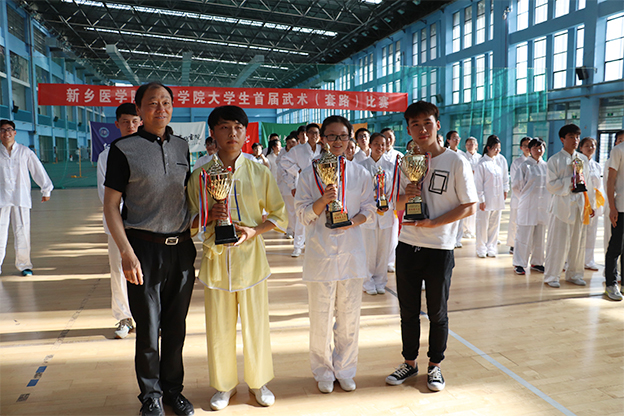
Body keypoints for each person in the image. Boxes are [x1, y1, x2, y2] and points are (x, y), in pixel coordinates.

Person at [103, 82, 196, 416]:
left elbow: (187, 197)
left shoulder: (182, 147)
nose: (161, 109)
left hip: (181, 249)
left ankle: (173, 391)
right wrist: (126, 252)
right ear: (140, 109)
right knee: (148, 327)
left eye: (166, 102)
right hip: (143, 249)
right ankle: (150, 395)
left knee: (175, 326)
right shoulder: (123, 148)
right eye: (153, 103)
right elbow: (110, 205)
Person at [187, 105, 287, 410]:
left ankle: (259, 382)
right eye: (224, 127)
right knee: (219, 327)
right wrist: (208, 215)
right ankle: (224, 385)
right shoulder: (200, 175)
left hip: (251, 261)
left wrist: (255, 231)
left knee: (256, 324)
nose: (232, 134)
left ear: (246, 133)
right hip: (216, 261)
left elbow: (279, 214)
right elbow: (188, 221)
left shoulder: (259, 171)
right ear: (213, 133)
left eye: (238, 128)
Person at [385, 101, 477, 392]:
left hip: (439, 247)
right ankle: (409, 362)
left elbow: (469, 205)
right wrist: (407, 194)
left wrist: (434, 223)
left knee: (437, 312)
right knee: (408, 311)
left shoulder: (456, 161)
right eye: (415, 124)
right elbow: (393, 203)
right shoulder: (405, 162)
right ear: (408, 129)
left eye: (427, 123)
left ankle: (435, 365)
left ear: (438, 125)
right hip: (407, 244)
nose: (422, 129)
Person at [294, 115, 375, 394]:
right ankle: (323, 370)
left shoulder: (360, 173)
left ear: (350, 138)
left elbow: (370, 209)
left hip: (352, 254)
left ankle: (346, 369)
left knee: (350, 316)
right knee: (320, 317)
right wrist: (323, 201)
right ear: (322, 138)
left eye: (342, 136)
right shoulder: (308, 174)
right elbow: (303, 215)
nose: (337, 141)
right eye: (331, 136)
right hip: (320, 255)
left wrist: (350, 222)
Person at [96, 103, 142, 338]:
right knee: (119, 269)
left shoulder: (149, 151)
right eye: (125, 122)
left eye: (134, 121)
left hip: (148, 222)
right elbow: (106, 196)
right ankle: (124, 317)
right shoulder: (107, 155)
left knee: (148, 269)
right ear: (117, 124)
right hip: (118, 224)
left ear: (141, 122)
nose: (130, 126)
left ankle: (149, 317)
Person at [544, 124, 595, 288]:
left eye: (577, 137)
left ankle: (574, 274)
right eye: (571, 137)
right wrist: (570, 181)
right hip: (562, 207)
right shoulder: (555, 160)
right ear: (562, 139)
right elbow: (551, 185)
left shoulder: (582, 160)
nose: (575, 140)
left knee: (578, 243)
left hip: (579, 205)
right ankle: (552, 276)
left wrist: (590, 204)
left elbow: (588, 183)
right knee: (558, 243)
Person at [0, 119, 53, 277]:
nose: (6, 133)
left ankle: (24, 265)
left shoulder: (25, 152)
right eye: (3, 130)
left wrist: (46, 189)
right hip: (1, 198)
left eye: (9, 129)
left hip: (21, 197)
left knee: (22, 232)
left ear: (15, 132)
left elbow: (37, 170)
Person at [359, 133, 396, 295]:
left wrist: (388, 205)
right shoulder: (361, 166)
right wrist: (371, 206)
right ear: (370, 145)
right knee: (368, 250)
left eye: (383, 144)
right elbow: (360, 192)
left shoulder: (391, 166)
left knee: (383, 250)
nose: (380, 147)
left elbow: (394, 190)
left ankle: (381, 281)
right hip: (368, 214)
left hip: (386, 213)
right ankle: (367, 282)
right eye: (376, 144)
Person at [279, 123, 322, 257]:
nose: (314, 135)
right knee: (301, 215)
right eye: (311, 132)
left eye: (316, 133)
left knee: (319, 215)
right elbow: (284, 161)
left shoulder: (322, 149)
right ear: (306, 134)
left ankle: (314, 245)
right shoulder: (298, 150)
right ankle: (298, 246)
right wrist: (297, 171)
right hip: (303, 185)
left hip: (320, 186)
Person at [511, 138, 548, 275]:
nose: (538, 150)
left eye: (541, 147)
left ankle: (537, 262)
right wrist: (525, 199)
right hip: (527, 206)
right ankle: (519, 263)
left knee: (540, 236)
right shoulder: (525, 166)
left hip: (542, 206)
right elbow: (516, 186)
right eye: (535, 148)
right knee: (523, 236)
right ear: (530, 150)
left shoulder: (546, 166)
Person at [474, 135, 508, 258]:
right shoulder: (481, 164)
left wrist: (505, 190)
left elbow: (504, 178)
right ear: (488, 148)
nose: (497, 151)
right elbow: (478, 183)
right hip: (486, 199)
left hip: (497, 198)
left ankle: (491, 247)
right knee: (482, 224)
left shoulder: (498, 162)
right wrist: (481, 199)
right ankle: (481, 248)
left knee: (495, 224)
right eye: (495, 148)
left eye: (499, 148)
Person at [604, 130, 624, 301]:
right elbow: (611, 180)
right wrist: (612, 207)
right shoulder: (619, 150)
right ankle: (611, 283)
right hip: (621, 206)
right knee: (615, 247)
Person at [380, 127, 403, 273]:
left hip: (396, 199)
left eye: (390, 137)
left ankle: (389, 261)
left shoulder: (400, 156)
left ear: (394, 139)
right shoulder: (376, 156)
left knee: (393, 232)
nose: (388, 140)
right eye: (385, 137)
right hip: (379, 200)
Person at [578, 137, 603, 271]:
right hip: (581, 200)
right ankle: (571, 260)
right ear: (581, 148)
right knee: (577, 232)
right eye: (587, 145)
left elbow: (599, 186)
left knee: (591, 232)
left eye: (592, 145)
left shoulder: (597, 166)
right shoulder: (578, 163)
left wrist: (595, 203)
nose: (590, 148)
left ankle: (588, 260)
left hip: (594, 202)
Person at [507, 137, 532, 254]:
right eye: (525, 146)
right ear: (521, 148)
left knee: (528, 223)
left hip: (531, 199)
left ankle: (527, 245)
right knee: (515, 221)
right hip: (518, 197)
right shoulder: (517, 162)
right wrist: (523, 197)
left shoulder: (536, 162)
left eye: (529, 145)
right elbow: (515, 182)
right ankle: (513, 245)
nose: (528, 148)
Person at [460, 137, 481, 238]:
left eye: (472, 144)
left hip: (477, 186)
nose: (469, 146)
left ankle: (472, 230)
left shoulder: (480, 158)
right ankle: (465, 230)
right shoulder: (462, 157)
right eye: (468, 144)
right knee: (466, 205)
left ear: (476, 145)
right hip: (466, 185)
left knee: (476, 208)